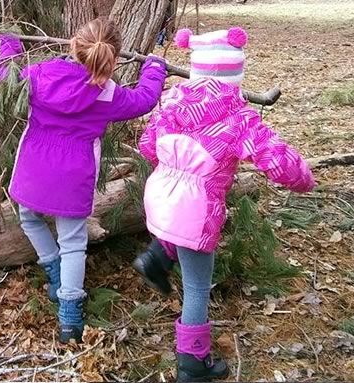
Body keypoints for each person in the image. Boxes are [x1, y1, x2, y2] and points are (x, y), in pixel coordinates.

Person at [132, 26, 316, 381]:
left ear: (198, 71)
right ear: (235, 76)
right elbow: (277, 160)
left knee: (177, 218)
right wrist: (305, 178)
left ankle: (156, 256)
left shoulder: (172, 102)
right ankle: (193, 363)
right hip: (198, 210)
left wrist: (176, 164)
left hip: (159, 195)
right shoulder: (238, 117)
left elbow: (146, 145)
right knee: (198, 286)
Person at [0, 18, 167, 344]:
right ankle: (70, 315)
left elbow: (6, 79)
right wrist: (154, 68)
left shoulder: (39, 74)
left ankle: (55, 275)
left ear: (73, 44)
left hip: (34, 164)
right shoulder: (107, 94)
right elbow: (144, 99)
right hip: (75, 171)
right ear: (112, 58)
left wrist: (9, 43)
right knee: (73, 241)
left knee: (29, 217)